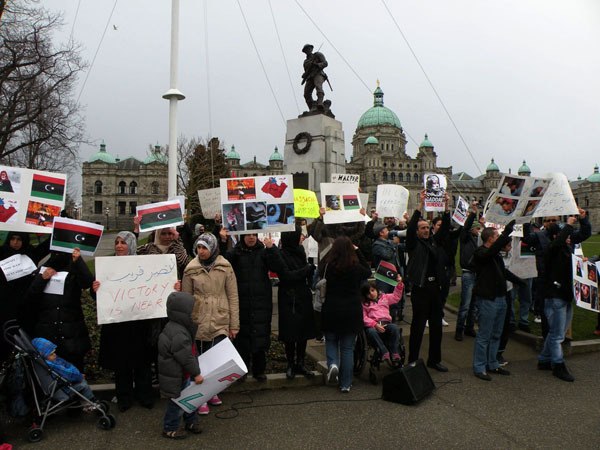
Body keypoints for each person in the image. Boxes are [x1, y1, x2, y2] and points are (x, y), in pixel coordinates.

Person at [92, 232, 156, 412]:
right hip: (117, 324)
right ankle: (124, 398)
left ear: (132, 245)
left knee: (142, 363)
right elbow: (99, 296)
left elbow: (153, 288)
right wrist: (95, 289)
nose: (119, 246)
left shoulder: (142, 265)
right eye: (117, 242)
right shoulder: (107, 266)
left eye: (123, 243)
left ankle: (145, 396)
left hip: (139, 323)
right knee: (122, 364)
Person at [182, 232, 239, 414]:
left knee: (216, 360)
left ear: (213, 248)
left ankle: (212, 391)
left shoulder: (225, 266)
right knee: (200, 359)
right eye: (199, 247)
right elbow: (186, 297)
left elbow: (232, 295)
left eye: (205, 248)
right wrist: (187, 323)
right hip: (198, 318)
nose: (201, 251)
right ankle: (201, 396)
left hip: (220, 317)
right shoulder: (190, 269)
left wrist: (234, 324)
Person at [219, 231, 281, 382]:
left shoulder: (264, 252)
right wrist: (222, 240)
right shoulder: (235, 253)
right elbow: (221, 261)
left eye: (253, 234)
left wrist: (272, 248)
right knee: (242, 337)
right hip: (241, 301)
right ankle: (242, 370)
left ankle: (259, 370)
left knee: (260, 335)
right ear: (242, 236)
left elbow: (278, 267)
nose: (251, 237)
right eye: (247, 234)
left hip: (261, 301)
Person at [26, 248, 93, 371]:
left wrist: (78, 261)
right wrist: (42, 279)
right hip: (48, 337)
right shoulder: (44, 270)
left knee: (74, 375)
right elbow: (31, 296)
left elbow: (87, 282)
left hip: (72, 336)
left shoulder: (73, 269)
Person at [405, 190, 450, 372]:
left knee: (437, 326)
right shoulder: (413, 244)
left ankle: (434, 359)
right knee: (417, 327)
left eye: (426, 227)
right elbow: (409, 229)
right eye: (421, 228)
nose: (425, 230)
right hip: (420, 289)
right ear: (417, 231)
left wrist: (446, 208)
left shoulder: (433, 242)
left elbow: (445, 228)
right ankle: (413, 360)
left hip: (435, 289)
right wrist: (420, 206)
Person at [472, 221, 523, 381]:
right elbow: (489, 253)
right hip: (488, 299)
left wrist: (520, 281)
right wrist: (507, 231)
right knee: (484, 334)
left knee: (497, 333)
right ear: (490, 239)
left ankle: (492, 363)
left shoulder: (495, 255)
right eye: (497, 236)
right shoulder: (481, 253)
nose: (499, 238)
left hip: (501, 298)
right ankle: (479, 366)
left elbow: (504, 272)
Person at [319, 236, 371, 393]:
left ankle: (333, 364)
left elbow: (318, 273)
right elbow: (368, 271)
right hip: (352, 310)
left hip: (331, 309)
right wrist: (358, 251)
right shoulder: (356, 268)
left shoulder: (328, 266)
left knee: (331, 341)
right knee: (348, 348)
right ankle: (346, 384)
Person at [537, 217, 578, 382]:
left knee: (557, 331)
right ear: (556, 236)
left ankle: (544, 359)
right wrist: (568, 225)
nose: (569, 237)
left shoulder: (567, 250)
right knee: (557, 335)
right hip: (554, 296)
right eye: (564, 234)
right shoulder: (551, 249)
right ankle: (558, 365)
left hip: (566, 296)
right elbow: (558, 242)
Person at [158, 292, 203, 440]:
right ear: (183, 312)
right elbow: (185, 357)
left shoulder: (179, 327)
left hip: (182, 373)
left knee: (190, 399)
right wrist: (196, 373)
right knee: (177, 403)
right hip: (178, 375)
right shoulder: (178, 333)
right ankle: (169, 428)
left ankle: (190, 422)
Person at [0, 231, 50, 360]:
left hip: (27, 305)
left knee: (26, 338)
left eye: (19, 239)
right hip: (5, 305)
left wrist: (60, 225)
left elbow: (48, 246)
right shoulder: (1, 253)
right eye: (12, 239)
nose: (15, 243)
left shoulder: (30, 253)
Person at [277, 226, 316, 380]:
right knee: (290, 333)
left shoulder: (301, 251)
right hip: (289, 296)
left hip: (303, 295)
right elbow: (287, 276)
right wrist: (307, 269)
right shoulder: (281, 254)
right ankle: (290, 364)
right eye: (299, 235)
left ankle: (300, 362)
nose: (302, 238)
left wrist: (310, 271)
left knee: (303, 332)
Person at [31, 337, 97, 404]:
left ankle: (86, 402)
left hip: (60, 386)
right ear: (43, 355)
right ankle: (92, 403)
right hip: (63, 390)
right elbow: (69, 375)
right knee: (83, 384)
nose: (55, 355)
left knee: (80, 381)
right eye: (51, 354)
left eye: (54, 352)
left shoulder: (44, 362)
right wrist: (79, 376)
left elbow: (65, 365)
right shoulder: (51, 365)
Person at [360, 277, 404, 366]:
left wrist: (399, 285)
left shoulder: (385, 297)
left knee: (395, 328)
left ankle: (394, 351)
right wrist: (375, 324)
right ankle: (383, 351)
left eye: (372, 290)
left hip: (386, 324)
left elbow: (396, 297)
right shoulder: (364, 304)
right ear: (365, 296)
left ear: (376, 289)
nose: (371, 294)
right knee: (371, 331)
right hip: (374, 326)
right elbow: (363, 317)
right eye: (368, 293)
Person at [455, 206, 481, 341]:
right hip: (468, 274)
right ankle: (459, 329)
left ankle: (469, 327)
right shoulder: (465, 238)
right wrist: (472, 214)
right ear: (472, 229)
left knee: (474, 305)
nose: (479, 231)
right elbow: (465, 228)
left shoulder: (479, 240)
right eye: (477, 229)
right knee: (465, 304)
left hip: (477, 274)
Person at [301, 43, 328, 111]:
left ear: (312, 49)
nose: (308, 50)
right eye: (306, 49)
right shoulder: (305, 62)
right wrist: (304, 75)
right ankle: (312, 108)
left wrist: (317, 64)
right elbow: (307, 71)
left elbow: (325, 63)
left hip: (318, 73)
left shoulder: (317, 55)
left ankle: (320, 102)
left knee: (318, 86)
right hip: (310, 77)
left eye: (309, 48)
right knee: (306, 94)